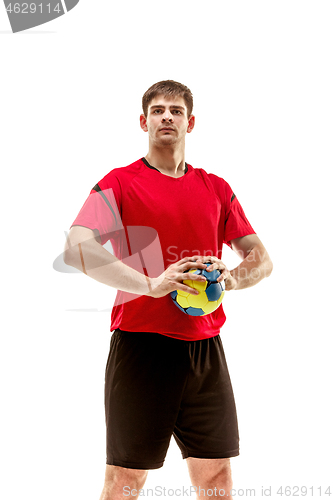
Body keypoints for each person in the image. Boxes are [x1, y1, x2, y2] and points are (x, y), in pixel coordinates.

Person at [63, 80, 273, 500]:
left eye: (175, 111)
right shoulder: (120, 182)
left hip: (206, 349)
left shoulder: (216, 187)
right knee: (125, 482)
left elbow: (261, 259)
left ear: (190, 123)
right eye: (157, 110)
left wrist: (230, 277)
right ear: (143, 121)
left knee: (216, 481)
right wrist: (150, 285)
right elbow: (75, 248)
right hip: (142, 348)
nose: (166, 117)